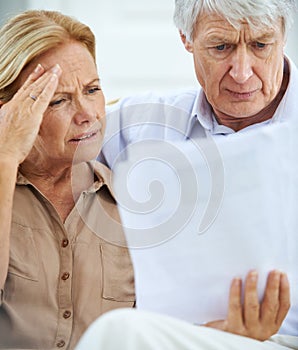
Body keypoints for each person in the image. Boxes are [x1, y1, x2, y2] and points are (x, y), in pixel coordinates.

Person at [76, 0, 298, 349]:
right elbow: (47, 147)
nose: (242, 72)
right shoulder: (141, 125)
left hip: (287, 340)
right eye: (221, 47)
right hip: (171, 337)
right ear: (186, 38)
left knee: (119, 333)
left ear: (284, 35)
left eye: (260, 45)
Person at [0, 10, 135, 349]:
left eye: (93, 90)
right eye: (58, 100)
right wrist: (5, 155)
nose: (88, 114)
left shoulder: (133, 208)